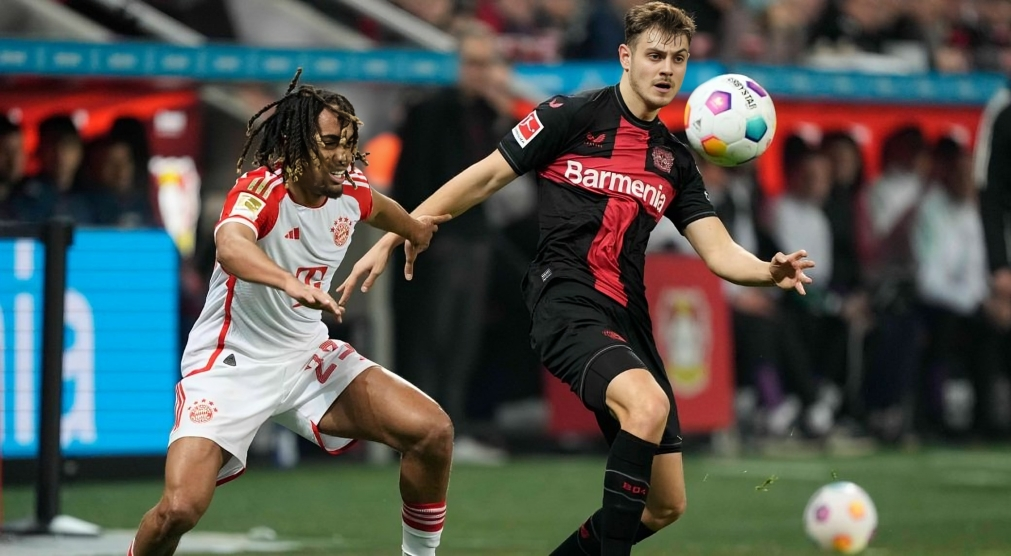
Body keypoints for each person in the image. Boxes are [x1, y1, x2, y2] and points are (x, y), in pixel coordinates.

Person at [338, 3, 815, 555]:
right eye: (655, 55)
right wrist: (395, 234)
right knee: (648, 406)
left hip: (626, 319)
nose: (666, 69)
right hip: (565, 299)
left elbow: (718, 251)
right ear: (625, 56)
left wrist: (766, 270)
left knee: (665, 505)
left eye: (678, 59)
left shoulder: (675, 161)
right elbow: (484, 176)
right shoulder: (571, 115)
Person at [128, 70, 453, 556]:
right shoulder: (262, 190)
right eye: (330, 143)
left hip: (305, 357)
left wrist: (413, 232)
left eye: (349, 142)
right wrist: (288, 282)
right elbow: (231, 247)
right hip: (231, 364)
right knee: (178, 509)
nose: (344, 156)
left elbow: (385, 209)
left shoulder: (352, 190)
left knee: (432, 431)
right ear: (295, 144)